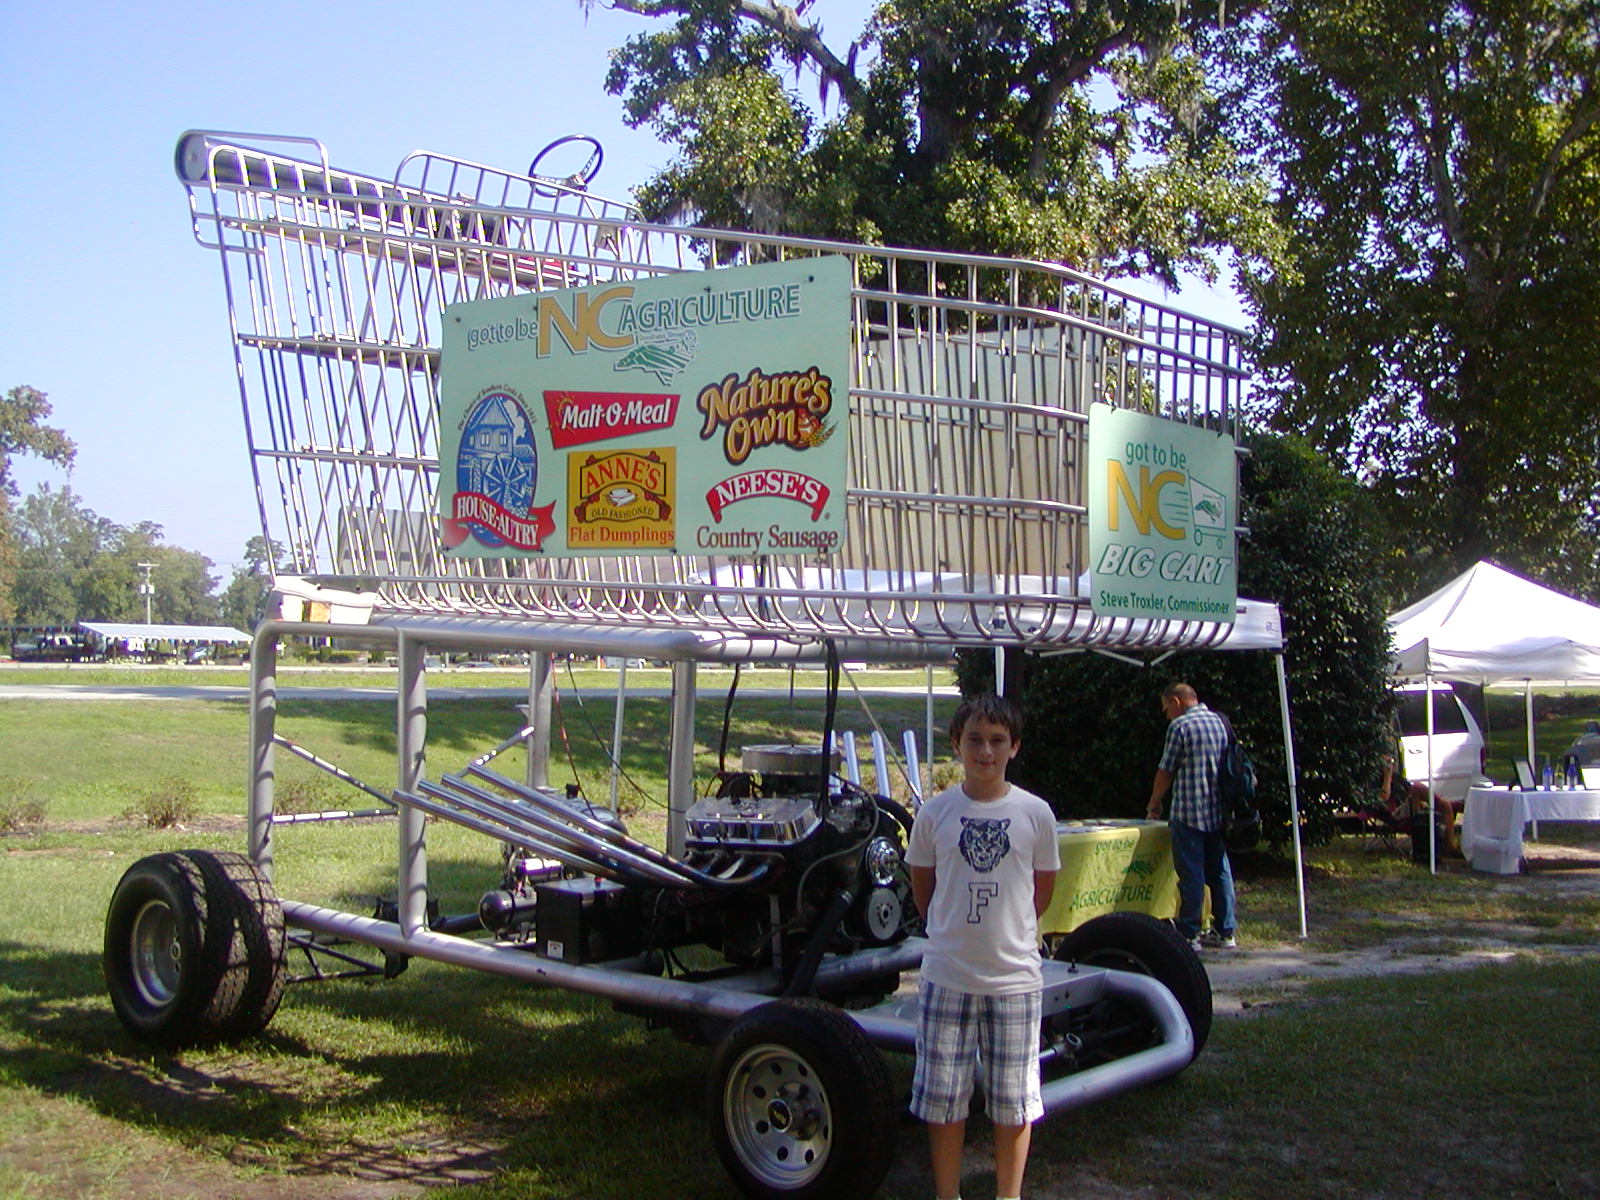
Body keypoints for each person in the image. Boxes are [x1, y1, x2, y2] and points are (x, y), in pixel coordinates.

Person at [907, 693, 1061, 1200]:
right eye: (975, 739)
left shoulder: (1036, 814)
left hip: (1014, 981)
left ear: (1014, 747)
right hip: (947, 977)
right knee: (943, 1102)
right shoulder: (934, 813)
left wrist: (1006, 931)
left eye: (998, 741)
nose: (986, 751)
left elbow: (1040, 893)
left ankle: (1008, 1195)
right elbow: (924, 891)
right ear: (957, 744)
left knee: (1014, 1101)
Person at [1145, 682, 1238, 950]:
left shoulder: (1180, 727)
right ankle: (1225, 930)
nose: (1166, 715)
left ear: (1176, 701)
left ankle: (1189, 932)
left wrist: (1155, 803)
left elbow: (1166, 770)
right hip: (1217, 810)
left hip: (1188, 810)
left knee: (1191, 874)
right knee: (1219, 871)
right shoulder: (1220, 722)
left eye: (1166, 709)